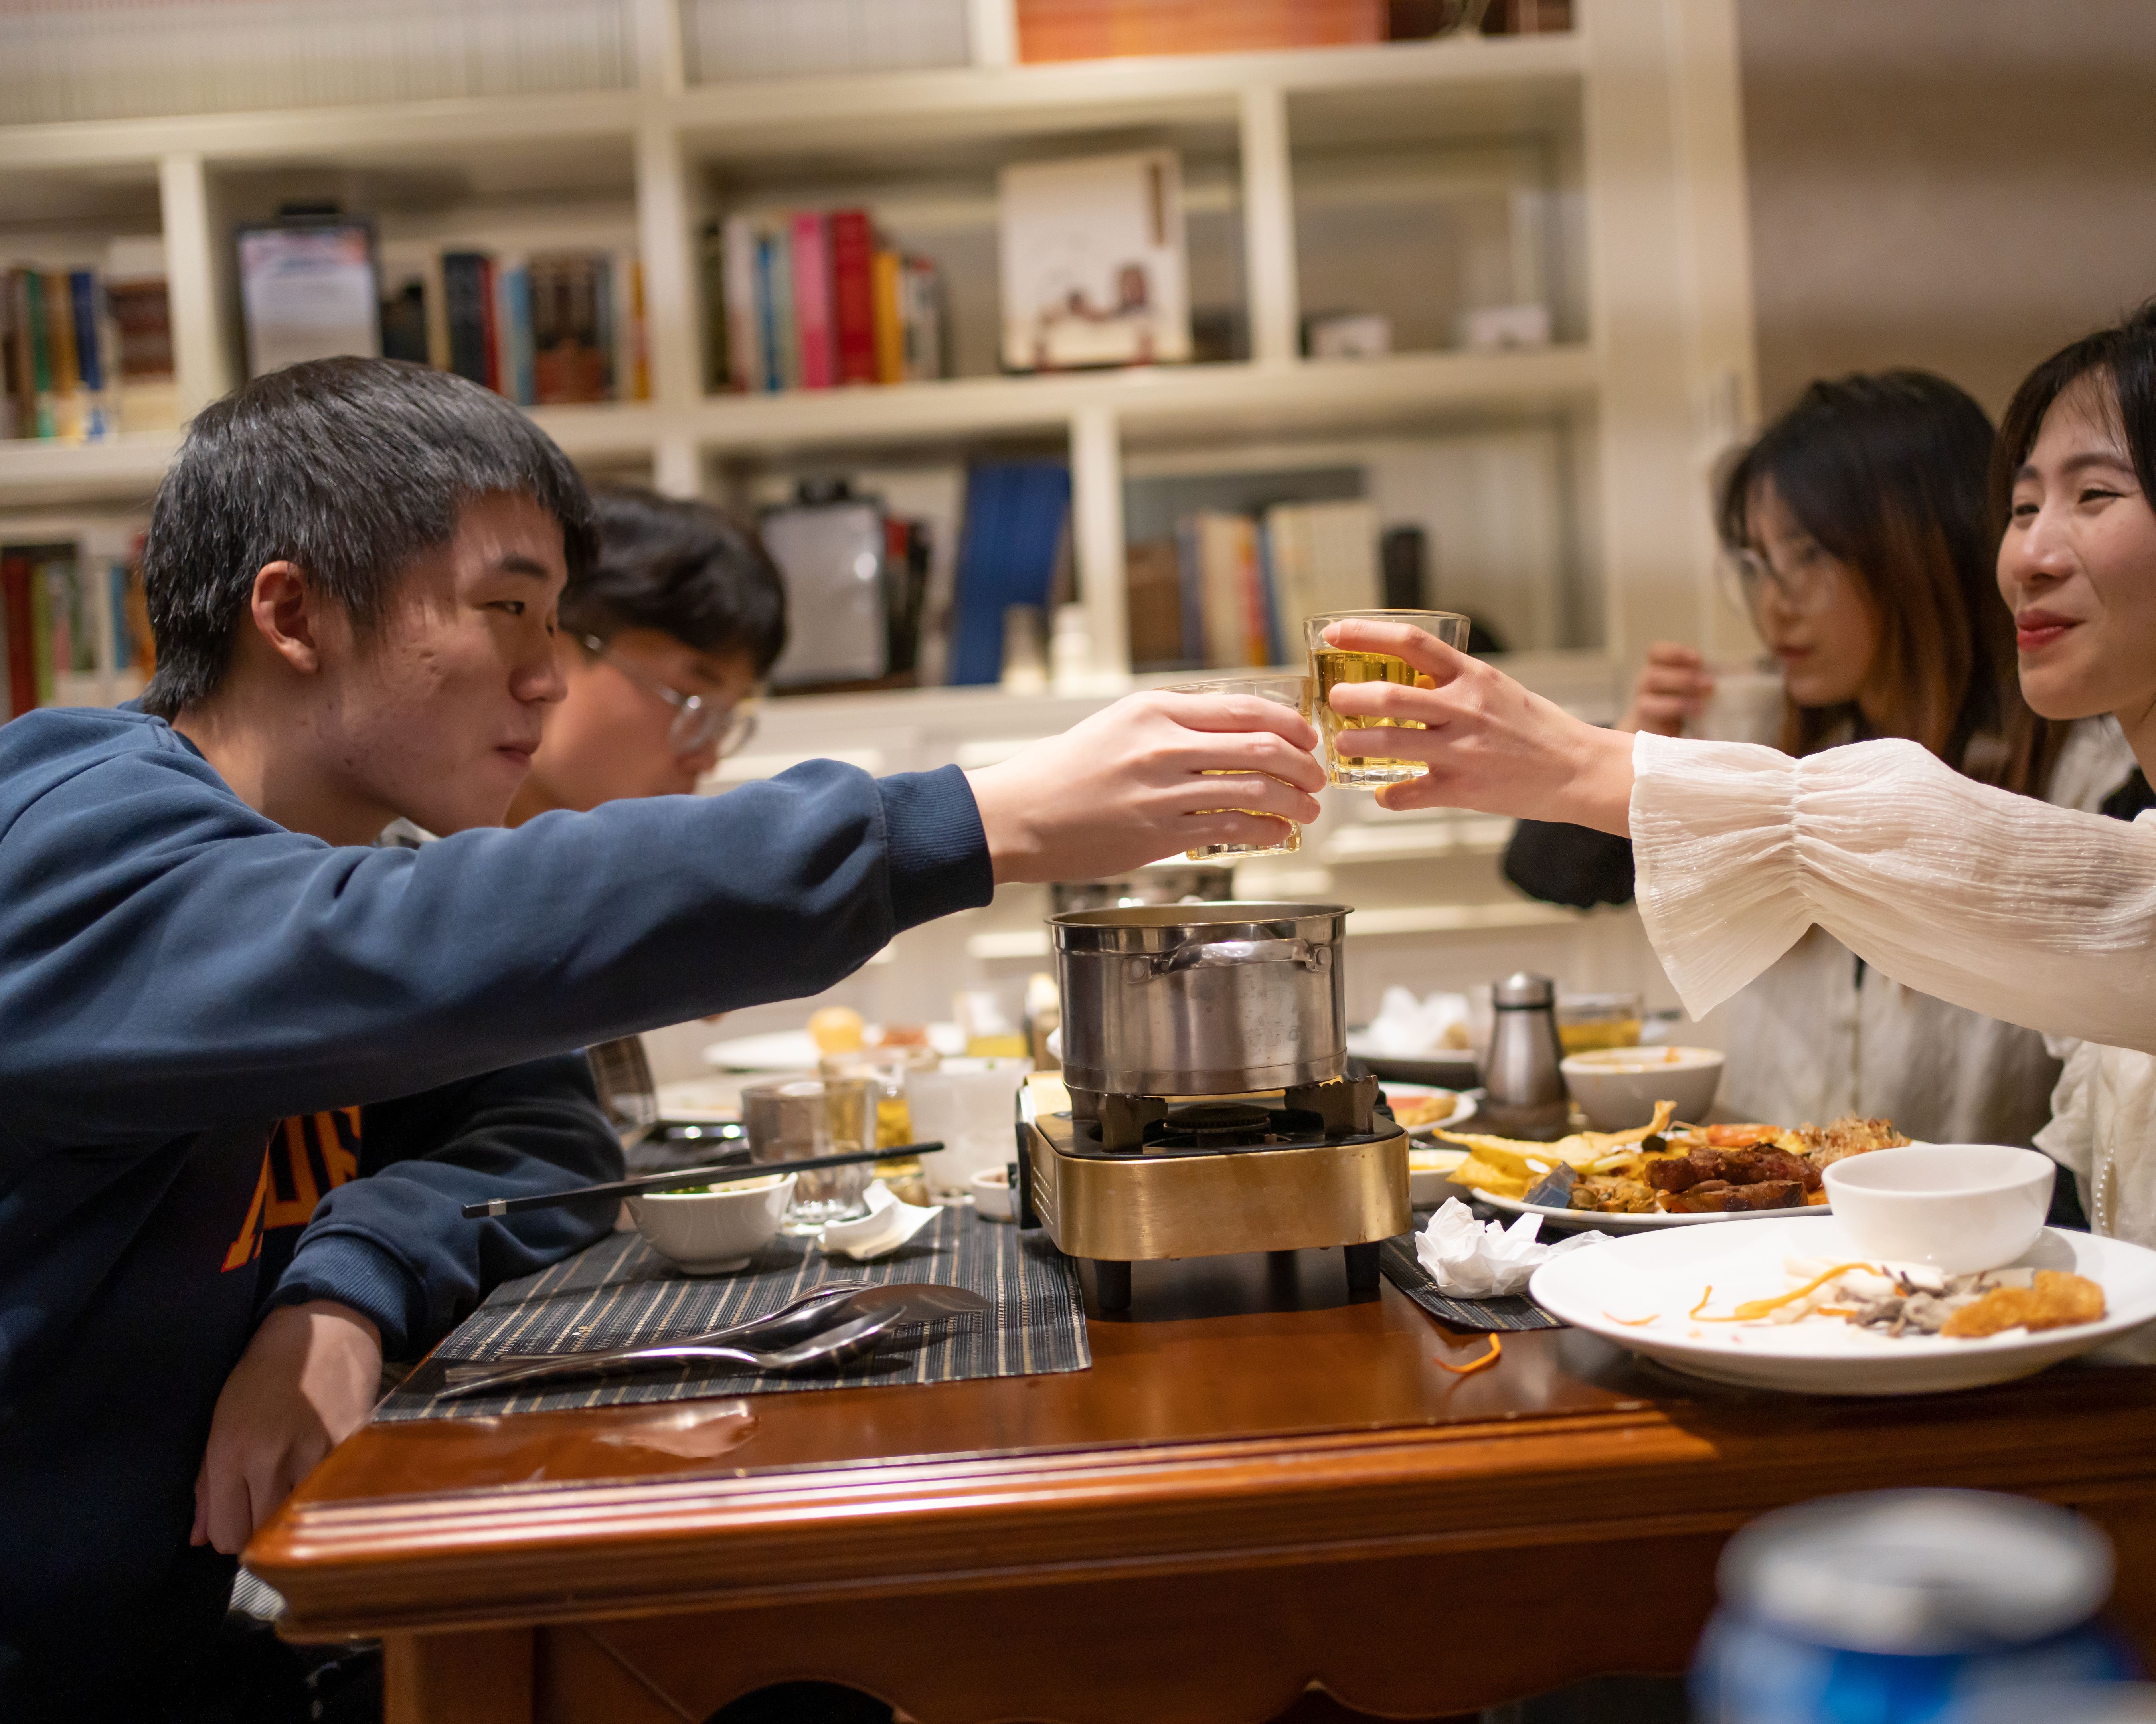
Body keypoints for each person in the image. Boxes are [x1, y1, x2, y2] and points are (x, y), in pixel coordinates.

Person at [0, 357, 1325, 1720]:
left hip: (225, 1633)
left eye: (562, 626)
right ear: (294, 613)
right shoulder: (71, 841)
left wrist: (342, 1287)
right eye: (506, 609)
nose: (545, 679)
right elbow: (417, 939)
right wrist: (977, 820)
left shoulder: (322, 869)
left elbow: (535, 1122)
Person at [1315, 287, 2156, 1700]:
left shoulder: (2140, 826)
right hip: (2129, 1513)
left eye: (2097, 493)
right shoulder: (2116, 811)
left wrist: (1607, 768)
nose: (2028, 550)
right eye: (2019, 505)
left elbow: (2146, 907)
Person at [1502, 372, 2138, 1145]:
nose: (1776, 604)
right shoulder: (1784, 746)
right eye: (1758, 566)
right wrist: (1635, 739)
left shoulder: (2090, 779)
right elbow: (1547, 868)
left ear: (1920, 552)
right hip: (1767, 1222)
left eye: (1807, 558)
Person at [504, 486, 783, 821]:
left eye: (722, 722)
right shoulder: (431, 863)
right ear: (549, 649)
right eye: (686, 701)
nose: (706, 760)